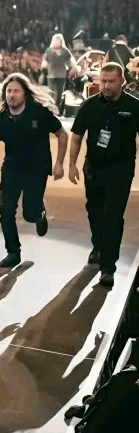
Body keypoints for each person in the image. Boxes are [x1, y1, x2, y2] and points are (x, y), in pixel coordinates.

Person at [0, 73, 68, 269]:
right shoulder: (1, 118)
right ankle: (13, 252)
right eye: (8, 91)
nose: (11, 95)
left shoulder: (39, 112)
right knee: (5, 209)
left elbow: (62, 133)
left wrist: (59, 163)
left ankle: (39, 212)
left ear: (25, 93)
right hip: (12, 167)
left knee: (29, 214)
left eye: (16, 91)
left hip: (37, 167)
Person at [68, 62, 139, 288]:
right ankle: (98, 246)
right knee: (95, 211)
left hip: (121, 169)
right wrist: (72, 164)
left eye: (111, 81)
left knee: (113, 217)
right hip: (94, 167)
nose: (106, 86)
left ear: (122, 82)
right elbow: (77, 136)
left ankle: (108, 267)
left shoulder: (134, 106)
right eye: (103, 81)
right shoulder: (89, 105)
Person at [42, 33, 76, 115]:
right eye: (56, 41)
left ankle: (56, 110)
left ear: (61, 41)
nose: (57, 42)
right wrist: (44, 64)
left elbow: (70, 62)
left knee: (58, 95)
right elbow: (44, 60)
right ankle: (50, 110)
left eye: (58, 41)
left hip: (61, 76)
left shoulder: (65, 51)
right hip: (51, 76)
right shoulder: (49, 51)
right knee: (50, 93)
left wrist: (73, 68)